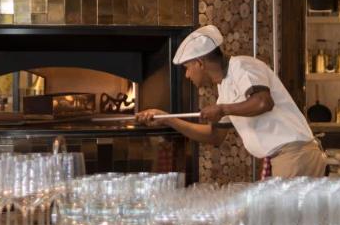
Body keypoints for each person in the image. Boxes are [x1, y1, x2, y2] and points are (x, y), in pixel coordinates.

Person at [135, 25, 326, 178]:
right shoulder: (224, 89)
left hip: (295, 155)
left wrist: (223, 109)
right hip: (284, 157)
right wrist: (168, 119)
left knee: (285, 224)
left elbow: (263, 102)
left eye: (187, 67)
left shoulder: (243, 66)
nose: (186, 75)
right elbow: (214, 136)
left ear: (200, 63)